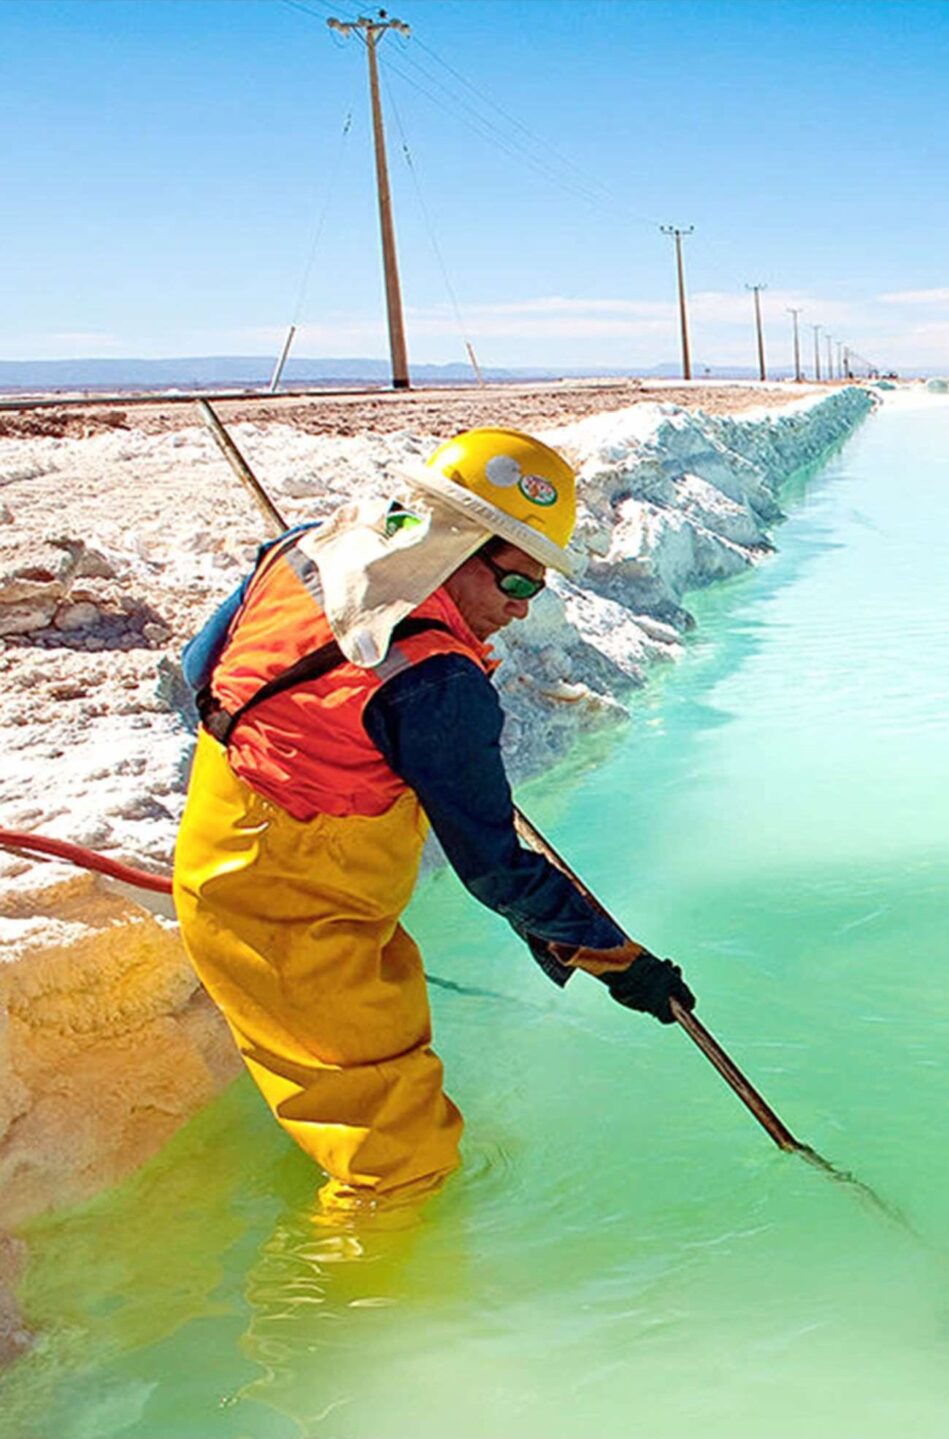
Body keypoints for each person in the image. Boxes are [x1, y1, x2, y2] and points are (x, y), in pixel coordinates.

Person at [172, 428, 693, 1205]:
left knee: (377, 1060)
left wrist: (318, 744)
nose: (521, 614)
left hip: (235, 848)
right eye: (519, 586)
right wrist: (623, 963)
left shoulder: (311, 550)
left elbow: (198, 675)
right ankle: (353, 1315)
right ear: (458, 546)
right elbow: (494, 866)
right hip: (292, 914)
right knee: (401, 1166)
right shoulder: (433, 683)